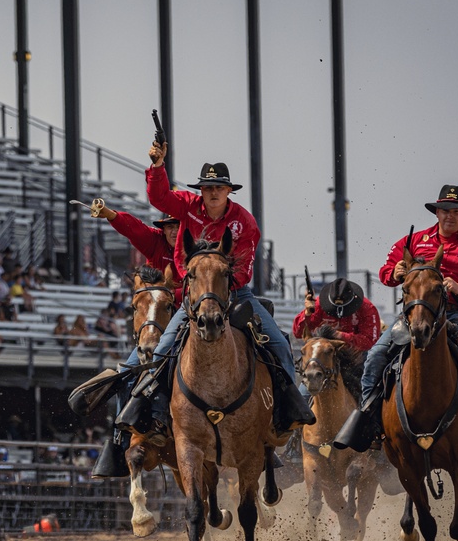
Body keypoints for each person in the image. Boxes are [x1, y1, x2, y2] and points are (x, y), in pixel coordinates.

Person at [117, 140, 313, 446]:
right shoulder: (187, 206)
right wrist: (157, 167)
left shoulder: (244, 222)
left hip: (234, 294)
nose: (212, 192)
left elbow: (244, 268)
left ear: (228, 191)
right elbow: (160, 196)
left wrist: (217, 284)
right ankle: (153, 415)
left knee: (279, 344)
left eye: (218, 187)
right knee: (160, 351)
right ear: (201, 190)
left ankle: (287, 410)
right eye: (207, 187)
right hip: (194, 297)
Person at [334, 184, 458, 462]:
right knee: (374, 356)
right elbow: (387, 272)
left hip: (457, 316)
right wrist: (394, 272)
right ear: (437, 212)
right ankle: (368, 422)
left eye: (457, 211)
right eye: (445, 210)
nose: (450, 216)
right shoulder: (413, 241)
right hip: (414, 315)